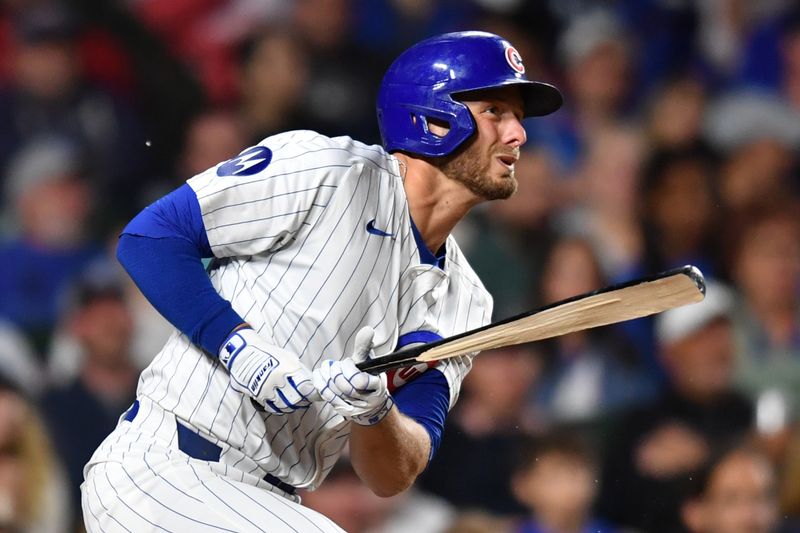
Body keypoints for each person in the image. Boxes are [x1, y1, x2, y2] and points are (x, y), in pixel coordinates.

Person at [80, 31, 563, 531]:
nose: (518, 135)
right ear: (435, 117)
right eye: (496, 112)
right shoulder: (328, 169)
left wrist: (376, 413)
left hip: (272, 498)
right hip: (166, 469)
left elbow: (394, 474)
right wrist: (237, 346)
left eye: (519, 119)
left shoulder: (464, 302)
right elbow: (150, 238)